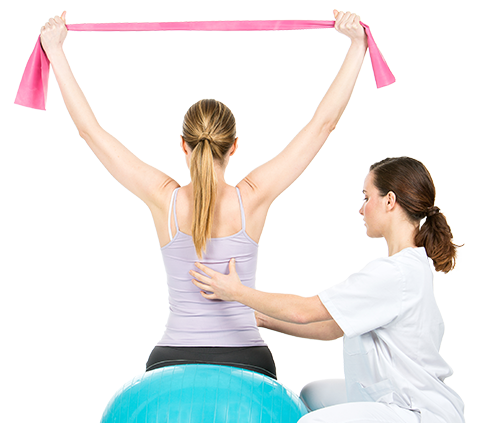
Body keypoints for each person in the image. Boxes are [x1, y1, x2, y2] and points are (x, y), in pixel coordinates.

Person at [40, 10, 368, 380]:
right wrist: (357, 46)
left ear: (184, 144)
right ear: (234, 146)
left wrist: (56, 51)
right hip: (248, 358)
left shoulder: (164, 198)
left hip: (172, 359)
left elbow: (90, 132)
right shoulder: (252, 197)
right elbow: (323, 125)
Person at [189, 155, 466, 423]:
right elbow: (331, 328)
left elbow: (305, 311)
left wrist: (236, 292)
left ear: (390, 201)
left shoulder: (395, 274)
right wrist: (262, 319)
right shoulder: (404, 269)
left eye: (366, 197)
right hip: (411, 412)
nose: (361, 208)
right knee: (315, 393)